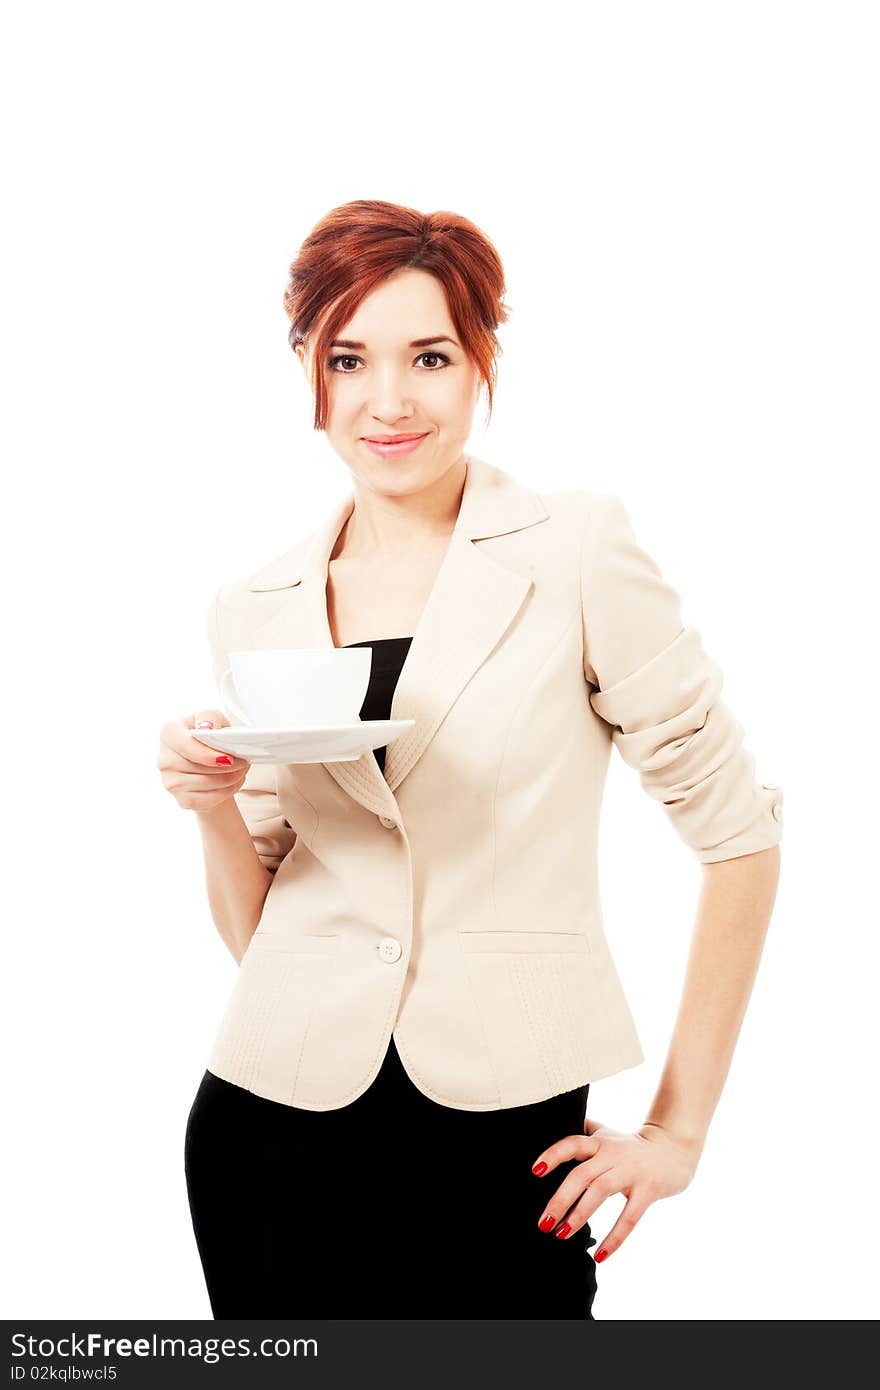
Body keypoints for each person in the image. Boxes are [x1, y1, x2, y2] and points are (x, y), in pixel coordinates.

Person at [157, 199, 783, 1320]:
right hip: (264, 1136)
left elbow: (738, 836)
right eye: (348, 357)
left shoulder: (574, 549)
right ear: (309, 366)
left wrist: (678, 1131)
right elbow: (266, 932)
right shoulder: (255, 605)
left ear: (480, 359)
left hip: (506, 1138)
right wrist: (211, 809)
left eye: (429, 356)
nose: (387, 401)